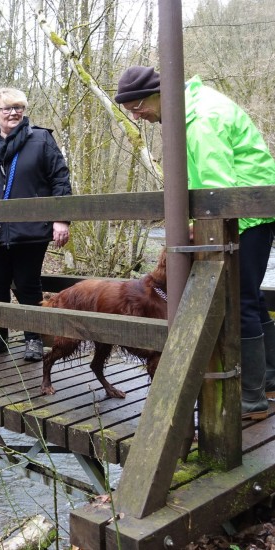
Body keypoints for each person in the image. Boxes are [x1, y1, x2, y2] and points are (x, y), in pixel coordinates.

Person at [115, 66, 275, 419]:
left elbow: (215, 186)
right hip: (250, 213)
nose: (137, 116)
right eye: (130, 111)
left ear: (160, 92)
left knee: (237, 301)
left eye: (138, 107)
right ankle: (267, 379)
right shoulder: (192, 109)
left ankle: (252, 398)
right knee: (249, 297)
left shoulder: (201, 119)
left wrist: (193, 227)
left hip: (242, 216)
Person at [0, 87, 72, 361]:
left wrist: (61, 219)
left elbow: (60, 178)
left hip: (31, 229)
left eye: (19, 107)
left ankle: (33, 339)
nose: (14, 113)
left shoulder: (41, 139)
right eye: (8, 108)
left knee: (28, 284)